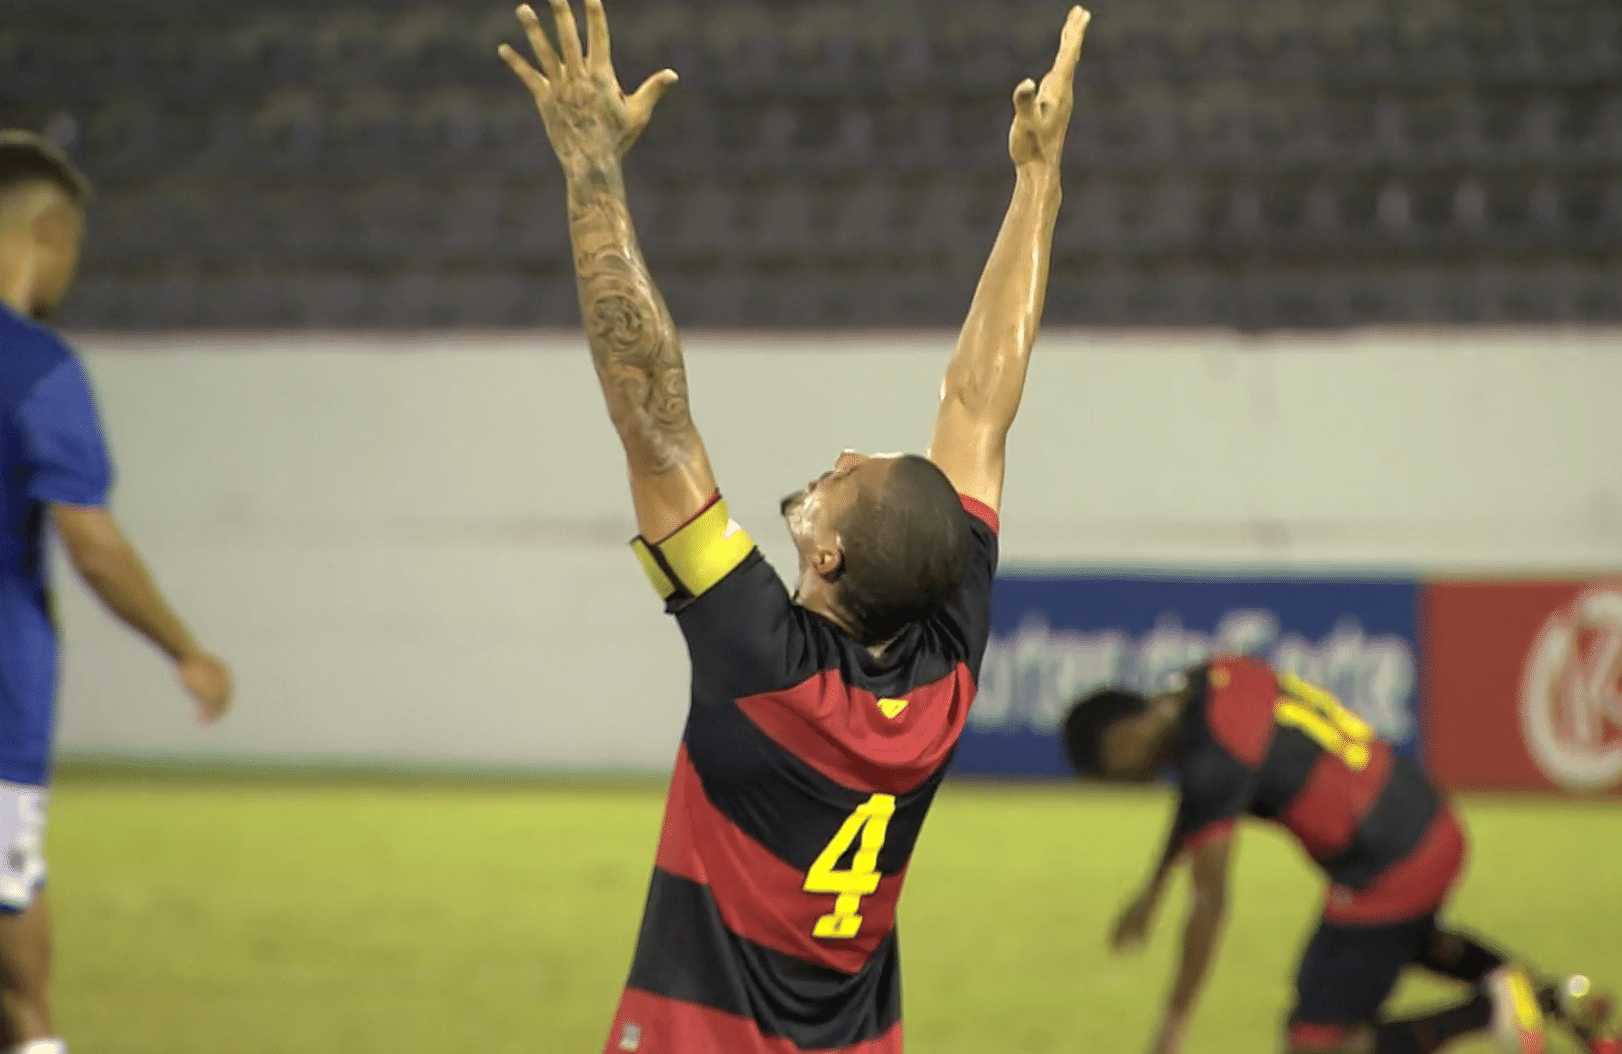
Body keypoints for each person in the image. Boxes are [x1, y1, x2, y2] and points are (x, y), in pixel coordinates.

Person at [497, 1, 1088, 1049]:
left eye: (848, 478)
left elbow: (654, 419)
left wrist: (591, 172)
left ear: (825, 554)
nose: (851, 454)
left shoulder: (763, 664)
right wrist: (1037, 181)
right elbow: (977, 403)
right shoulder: (941, 670)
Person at [1062, 655, 1617, 1054]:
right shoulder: (1210, 682)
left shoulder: (1213, 758)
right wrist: (1152, 891)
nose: (1128, 783)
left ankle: (1492, 1009)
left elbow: (1211, 900)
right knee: (1405, 942)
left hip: (1389, 867)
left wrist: (1174, 1026)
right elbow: (1197, 803)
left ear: (1124, 734)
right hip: (1428, 820)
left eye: (1114, 772)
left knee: (1314, 1044)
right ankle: (1559, 1001)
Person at [0, 130, 234, 1054]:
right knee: (20, 993)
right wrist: (186, 649)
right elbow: (90, 541)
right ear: (49, 230)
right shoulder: (37, 366)